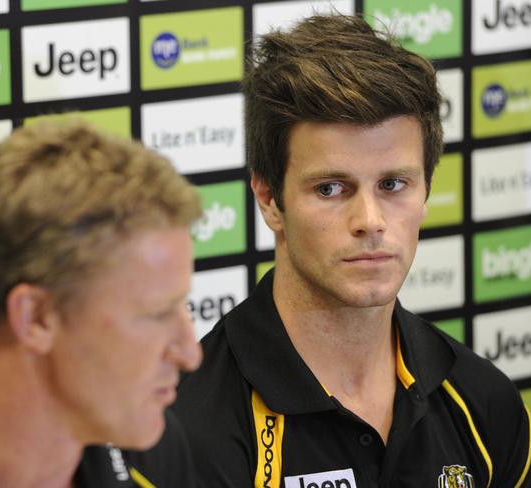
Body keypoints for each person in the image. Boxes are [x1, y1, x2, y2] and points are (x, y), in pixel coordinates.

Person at [173, 14, 531, 488]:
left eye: (393, 184)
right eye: (331, 189)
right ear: (269, 199)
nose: (370, 221)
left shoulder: (483, 401)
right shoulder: (186, 430)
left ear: (425, 192)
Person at [0, 120, 203, 487]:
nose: (189, 354)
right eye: (158, 314)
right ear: (35, 317)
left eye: (183, 308)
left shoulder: (149, 446)